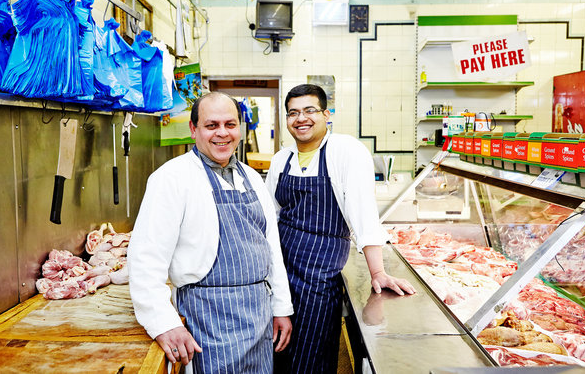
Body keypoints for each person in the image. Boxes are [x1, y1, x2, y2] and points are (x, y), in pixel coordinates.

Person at [129, 92, 293, 373]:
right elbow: (146, 259)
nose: (222, 133)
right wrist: (163, 323)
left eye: (230, 124)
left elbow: (271, 250)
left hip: (259, 315)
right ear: (194, 130)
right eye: (211, 125)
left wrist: (281, 306)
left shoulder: (252, 178)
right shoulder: (171, 178)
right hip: (207, 319)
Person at [266, 84, 416, 374]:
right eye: (293, 113)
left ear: (326, 113)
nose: (301, 119)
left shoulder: (345, 150)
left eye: (310, 110)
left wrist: (378, 272)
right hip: (280, 271)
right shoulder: (280, 160)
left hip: (319, 276)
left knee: (311, 356)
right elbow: (270, 218)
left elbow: (363, 213)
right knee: (278, 350)